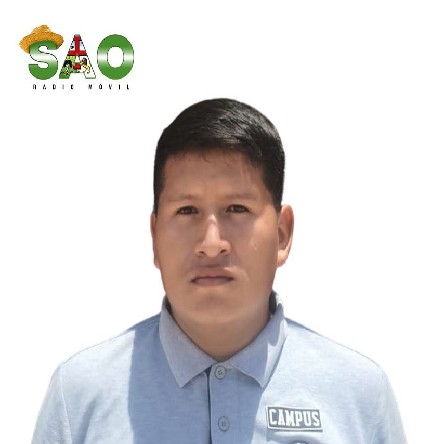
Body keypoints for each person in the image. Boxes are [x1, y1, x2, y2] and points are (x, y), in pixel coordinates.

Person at [32, 98, 407, 443]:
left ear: (282, 234)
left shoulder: (359, 395)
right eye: (186, 210)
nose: (211, 243)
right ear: (155, 236)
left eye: (237, 209)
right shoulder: (79, 396)